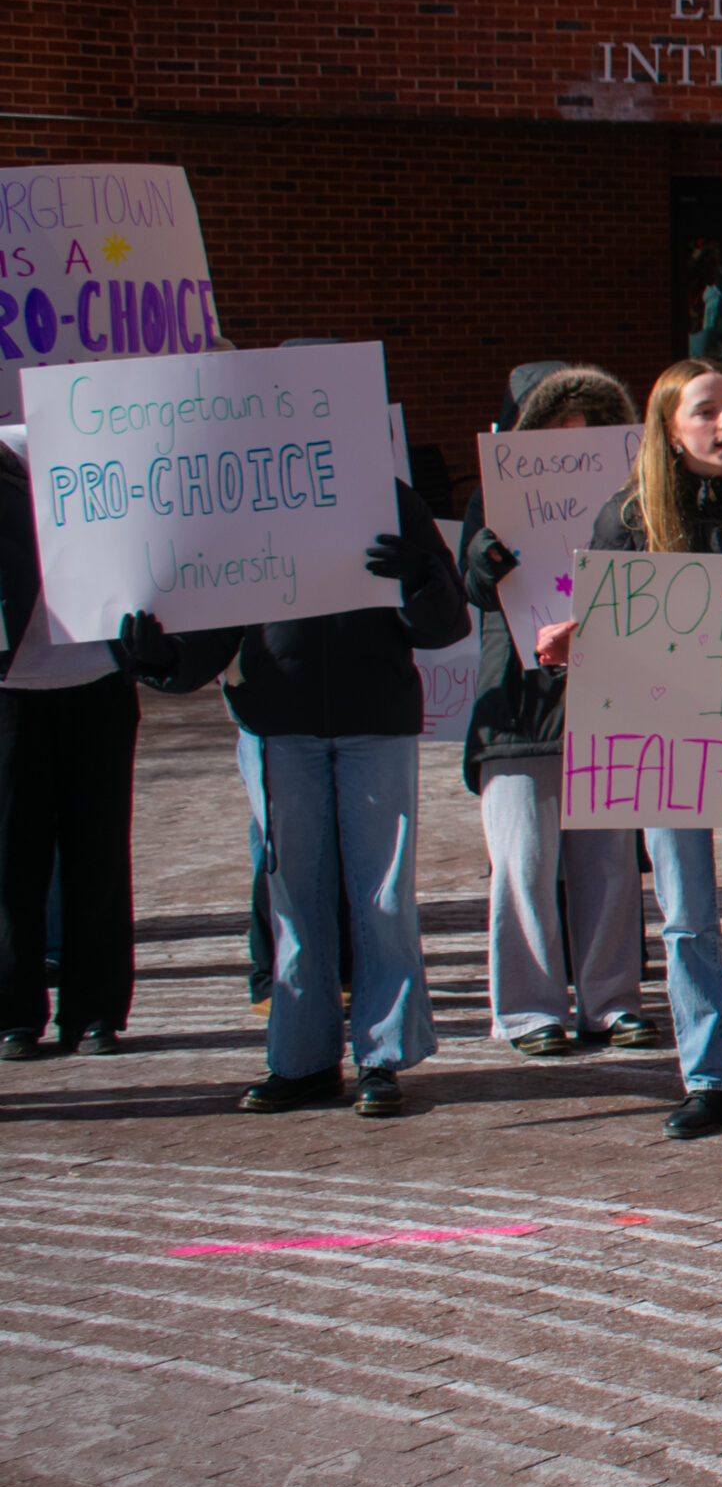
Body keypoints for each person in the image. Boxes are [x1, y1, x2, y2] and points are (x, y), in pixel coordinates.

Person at [122, 483, 469, 1117]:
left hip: (376, 716)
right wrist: (161, 658)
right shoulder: (245, 497)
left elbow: (446, 626)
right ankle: (302, 1062)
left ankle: (382, 1057)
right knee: (295, 899)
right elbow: (218, 623)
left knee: (383, 896)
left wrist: (421, 575)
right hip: (279, 719)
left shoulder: (388, 496)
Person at [569, 358, 722, 1139]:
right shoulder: (628, 518)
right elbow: (605, 635)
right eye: (706, 413)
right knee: (685, 920)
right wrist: (570, 641)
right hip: (668, 745)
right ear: (670, 432)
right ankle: (707, 1079)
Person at [459, 363, 661, 1057]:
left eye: (588, 429)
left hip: (603, 702)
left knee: (608, 864)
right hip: (518, 711)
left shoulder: (636, 502)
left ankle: (613, 1002)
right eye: (556, 431)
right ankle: (527, 1010)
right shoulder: (492, 498)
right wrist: (487, 559)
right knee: (524, 862)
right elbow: (472, 582)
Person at [0, 441, 137, 1059]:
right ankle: (13, 1015)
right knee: (9, 859)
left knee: (99, 852)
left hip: (99, 678)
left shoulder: (109, 444)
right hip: (8, 687)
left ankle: (98, 1012)